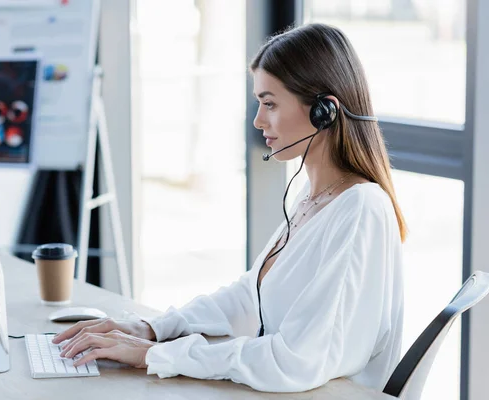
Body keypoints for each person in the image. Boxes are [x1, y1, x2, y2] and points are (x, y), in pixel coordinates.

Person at [52, 22, 407, 393]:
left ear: (324, 112)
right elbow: (248, 297)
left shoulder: (359, 210)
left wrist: (154, 355)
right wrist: (153, 329)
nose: (257, 121)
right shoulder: (315, 196)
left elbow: (296, 361)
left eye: (269, 103)